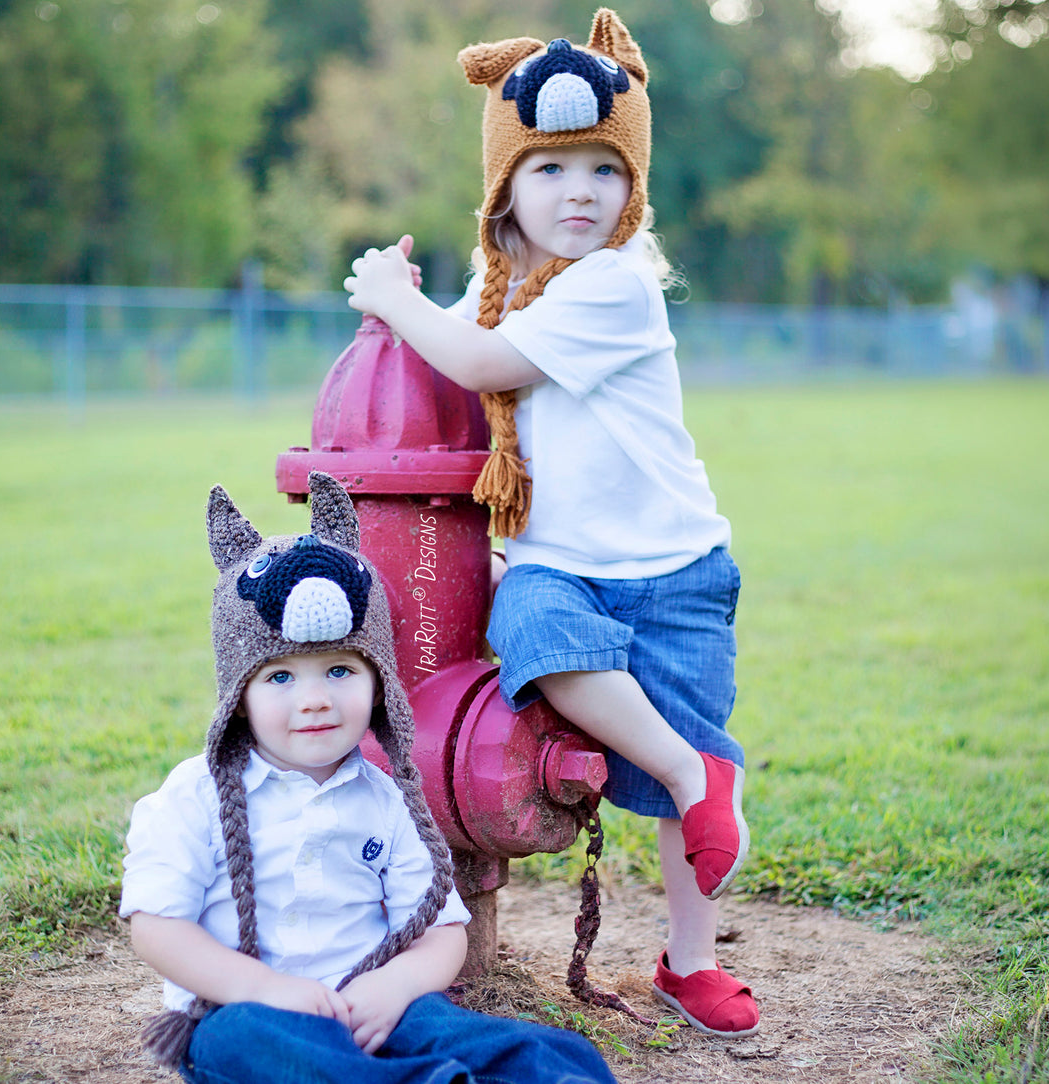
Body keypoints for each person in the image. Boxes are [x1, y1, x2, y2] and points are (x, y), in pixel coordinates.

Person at [344, 9, 758, 1039]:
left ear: (632, 192)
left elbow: (479, 364)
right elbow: (461, 349)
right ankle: (689, 773)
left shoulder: (614, 285)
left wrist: (395, 300)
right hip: (561, 563)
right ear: (504, 189)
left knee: (688, 776)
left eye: (604, 171)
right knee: (532, 630)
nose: (580, 191)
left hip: (673, 568)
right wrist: (407, 304)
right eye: (551, 168)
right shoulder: (507, 297)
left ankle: (690, 959)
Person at [120, 472, 618, 1084]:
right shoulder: (193, 797)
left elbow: (442, 932)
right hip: (252, 1011)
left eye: (340, 670)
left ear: (378, 684)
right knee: (238, 1042)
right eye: (279, 677)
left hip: (376, 1006)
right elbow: (157, 926)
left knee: (524, 1046)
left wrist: (394, 986)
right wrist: (266, 989)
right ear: (238, 696)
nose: (314, 699)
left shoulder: (385, 799)